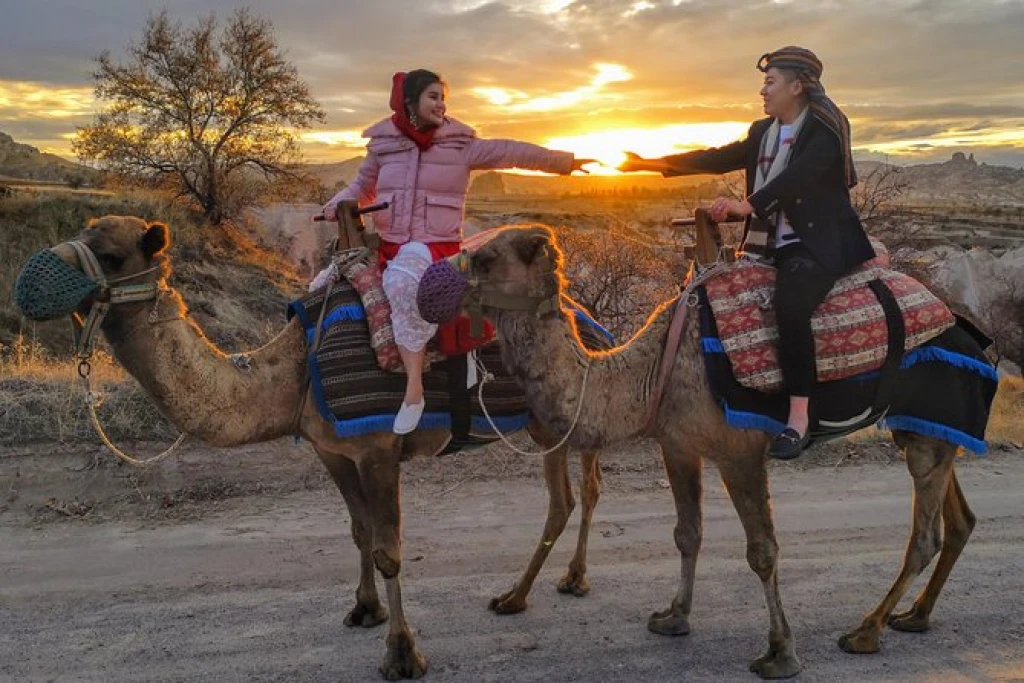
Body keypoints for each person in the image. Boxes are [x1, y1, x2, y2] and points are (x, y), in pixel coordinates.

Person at [619, 46, 874, 459]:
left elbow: (802, 175)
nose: (763, 90)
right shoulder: (762, 133)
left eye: (770, 81)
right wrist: (648, 163)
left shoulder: (825, 128)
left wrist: (749, 205)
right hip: (766, 246)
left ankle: (798, 420)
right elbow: (717, 157)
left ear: (797, 85)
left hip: (814, 245)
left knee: (791, 309)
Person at [322, 69, 593, 435]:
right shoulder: (382, 146)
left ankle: (414, 390)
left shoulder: (461, 145)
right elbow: (361, 188)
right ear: (409, 102)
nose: (441, 104)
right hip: (391, 247)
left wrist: (562, 162)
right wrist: (335, 205)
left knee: (402, 286)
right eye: (433, 96)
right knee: (324, 286)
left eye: (443, 97)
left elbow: (510, 151)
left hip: (438, 251)